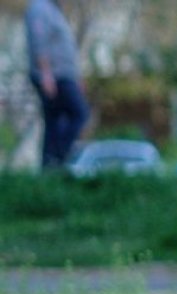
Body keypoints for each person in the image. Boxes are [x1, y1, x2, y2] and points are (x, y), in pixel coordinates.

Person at [25, 0, 90, 169]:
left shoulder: (55, 11)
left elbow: (64, 48)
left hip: (64, 75)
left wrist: (77, 77)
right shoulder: (39, 8)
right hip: (55, 76)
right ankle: (58, 155)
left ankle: (49, 166)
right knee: (79, 113)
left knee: (54, 121)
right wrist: (46, 75)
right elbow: (39, 43)